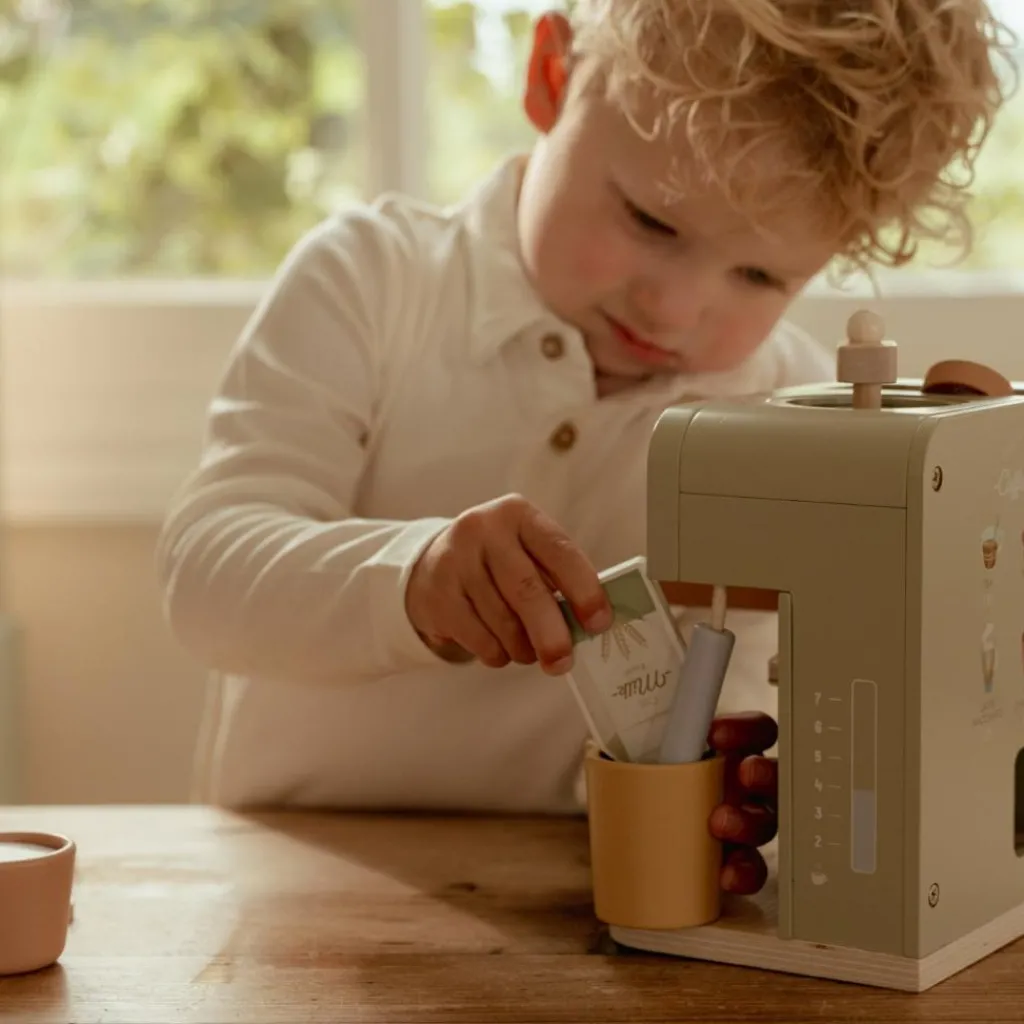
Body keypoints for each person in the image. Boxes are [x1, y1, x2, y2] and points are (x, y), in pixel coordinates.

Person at [156, 1, 1013, 896]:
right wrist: (412, 579)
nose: (674, 309)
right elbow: (205, 573)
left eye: (759, 275)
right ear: (551, 78)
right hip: (285, 888)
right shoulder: (374, 280)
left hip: (575, 897)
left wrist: (742, 775)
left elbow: (752, 686)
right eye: (652, 222)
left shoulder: (785, 412)